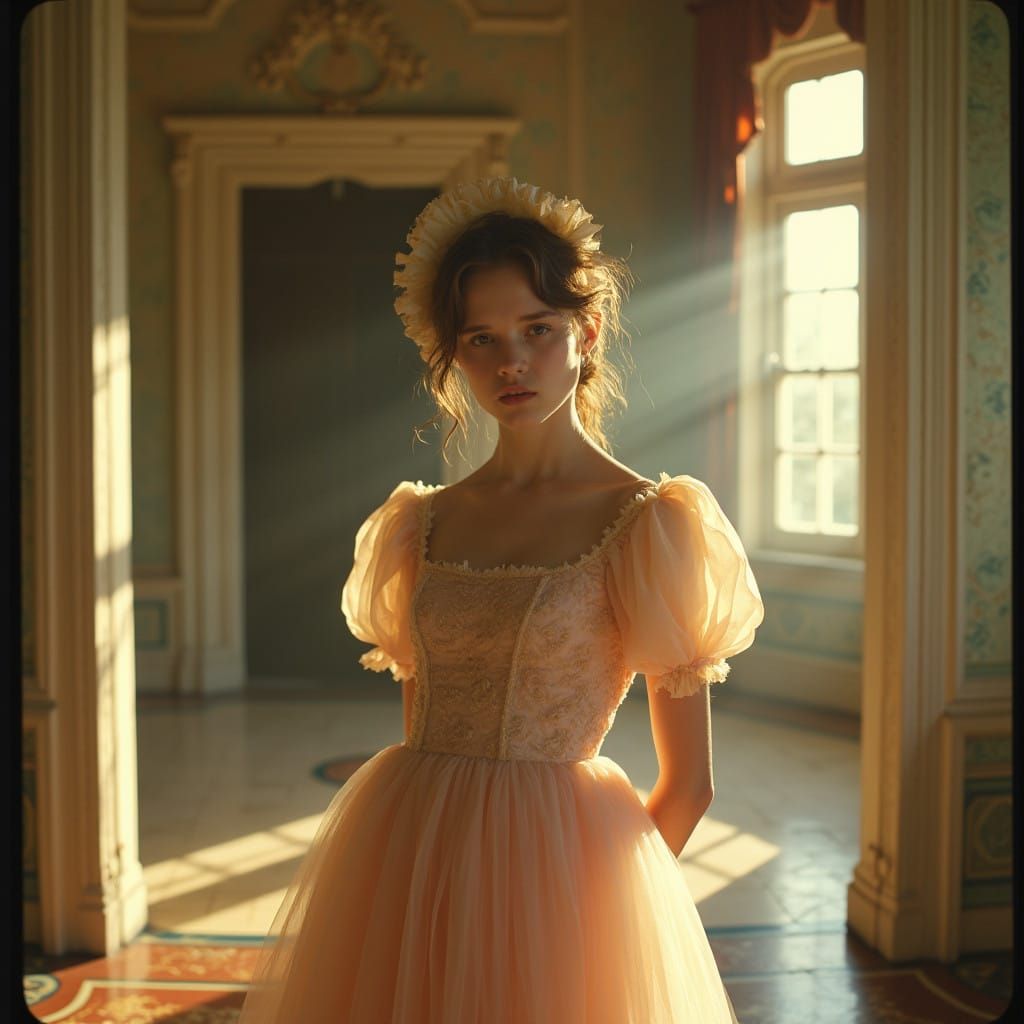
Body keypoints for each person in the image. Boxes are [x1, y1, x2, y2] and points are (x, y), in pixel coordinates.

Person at [236, 177, 765, 1024]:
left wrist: (587, 914)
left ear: (585, 334)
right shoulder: (421, 522)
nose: (510, 361)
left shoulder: (649, 524)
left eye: (537, 330)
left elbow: (690, 784)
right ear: (452, 354)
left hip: (561, 880)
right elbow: (420, 725)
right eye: (479, 338)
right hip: (407, 850)